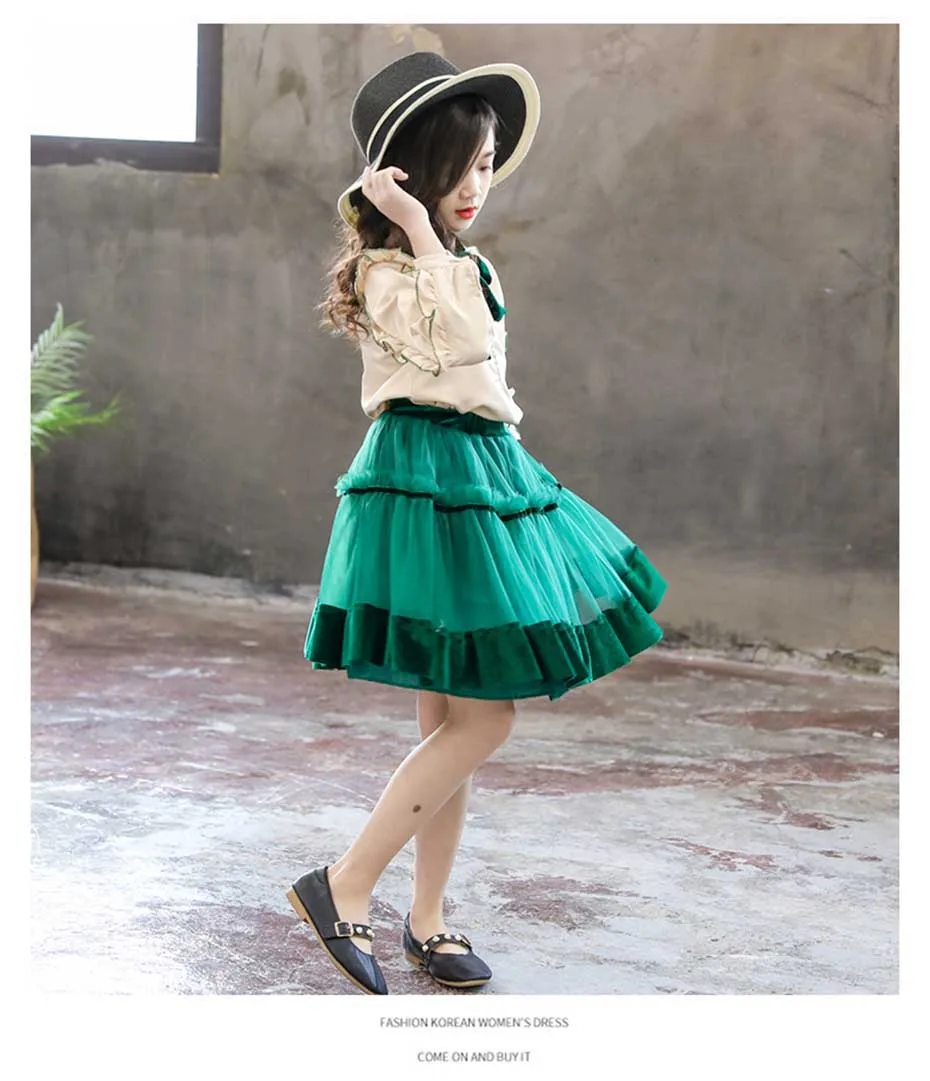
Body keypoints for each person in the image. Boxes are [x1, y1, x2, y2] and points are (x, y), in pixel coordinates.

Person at [287, 52, 667, 996]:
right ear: (407, 174)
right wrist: (417, 227)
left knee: (450, 720)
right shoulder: (386, 270)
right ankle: (343, 881)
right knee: (482, 717)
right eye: (456, 167)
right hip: (425, 479)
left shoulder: (465, 265)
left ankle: (427, 918)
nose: (474, 187)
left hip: (482, 471)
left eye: (487, 165)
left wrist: (435, 239)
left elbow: (485, 370)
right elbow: (453, 343)